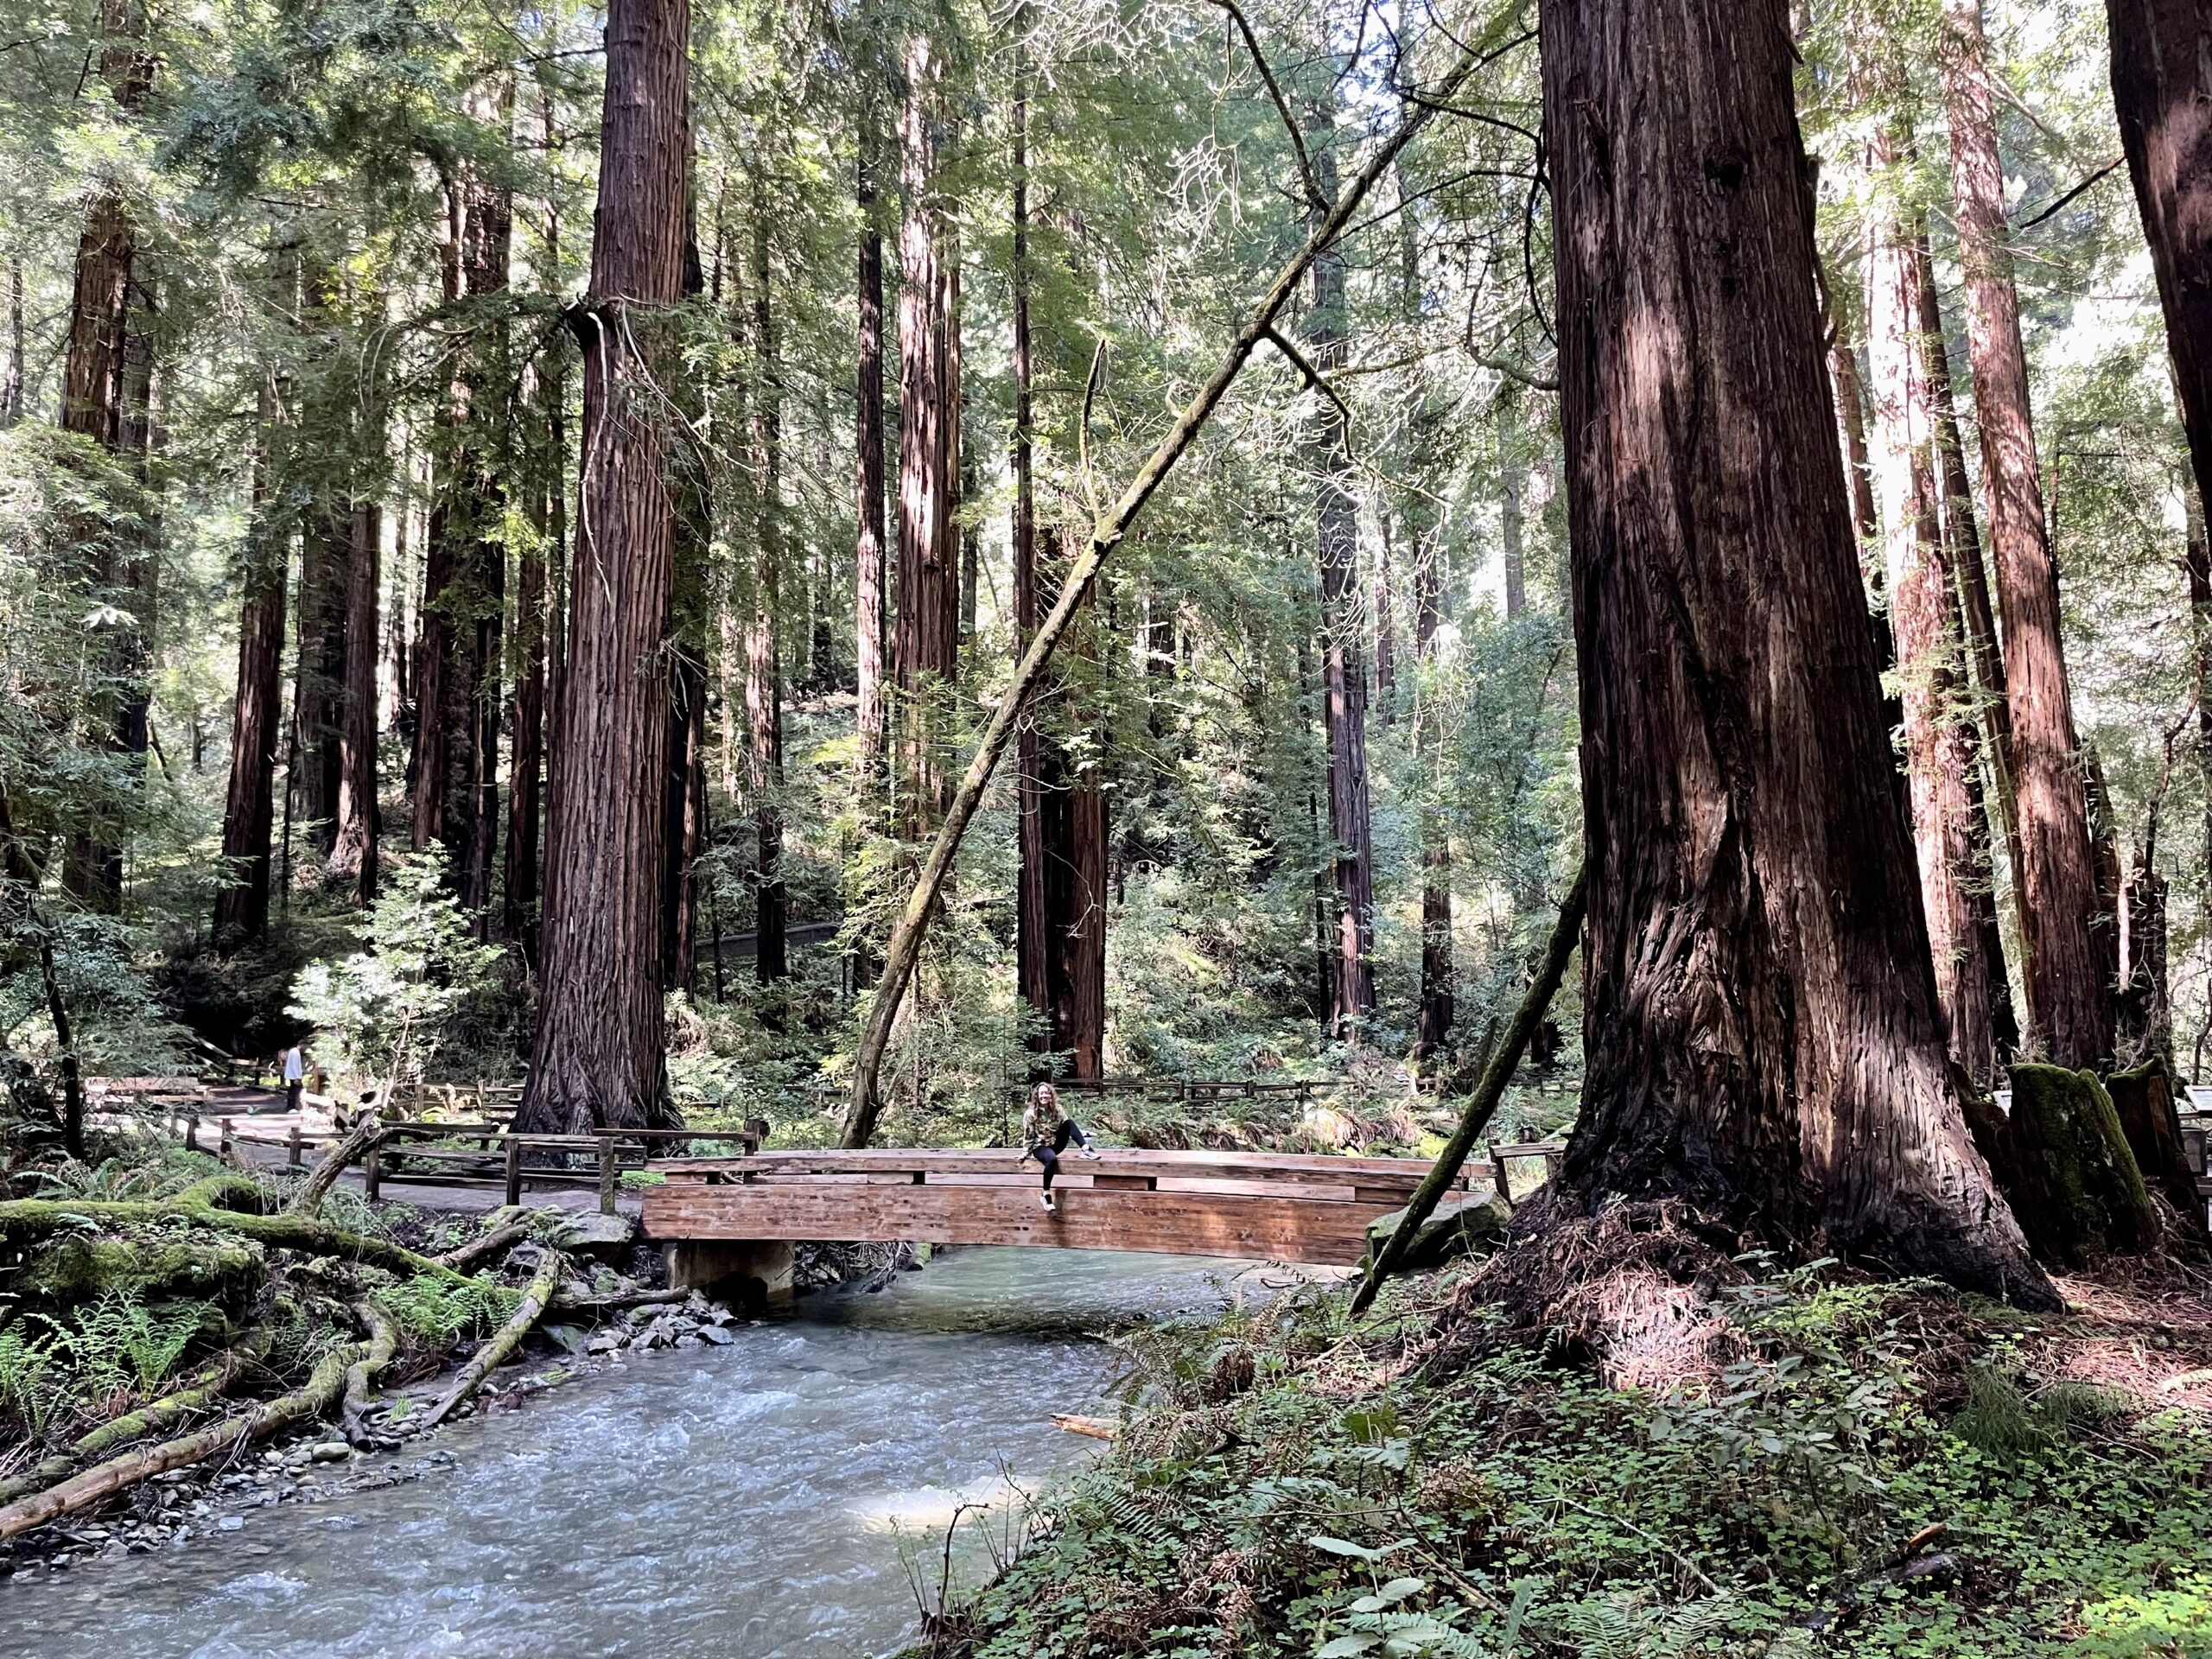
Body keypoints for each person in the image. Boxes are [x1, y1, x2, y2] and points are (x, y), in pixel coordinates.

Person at [1022, 1082, 1098, 1211]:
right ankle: (1046, 1194)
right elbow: (1028, 1135)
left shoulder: (1057, 1109)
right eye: (1042, 1093)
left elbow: (1068, 1126)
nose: (1044, 1096)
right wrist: (1025, 1153)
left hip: (1055, 1143)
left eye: (1047, 1093)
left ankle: (1085, 1149)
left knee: (1069, 1122)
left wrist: (1083, 1134)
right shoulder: (1030, 1114)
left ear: (1051, 1095)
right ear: (1037, 1096)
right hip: (1040, 1147)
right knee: (1051, 1160)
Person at [282, 1043, 305, 1114]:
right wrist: (298, 1077)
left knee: (293, 1091)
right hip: (294, 1076)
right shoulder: (295, 1052)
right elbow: (295, 1066)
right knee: (294, 1091)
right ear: (301, 1045)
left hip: (291, 1075)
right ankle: (291, 1107)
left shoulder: (293, 1051)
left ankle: (291, 1107)